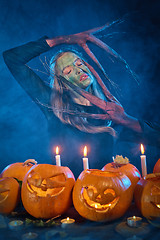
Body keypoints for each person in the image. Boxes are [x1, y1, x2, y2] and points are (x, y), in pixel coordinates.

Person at [3, 32, 160, 178]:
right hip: (62, 195)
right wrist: (64, 39)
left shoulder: (109, 112)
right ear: (62, 83)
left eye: (79, 63)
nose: (78, 70)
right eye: (68, 71)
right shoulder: (52, 105)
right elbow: (12, 58)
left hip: (106, 192)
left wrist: (126, 120)